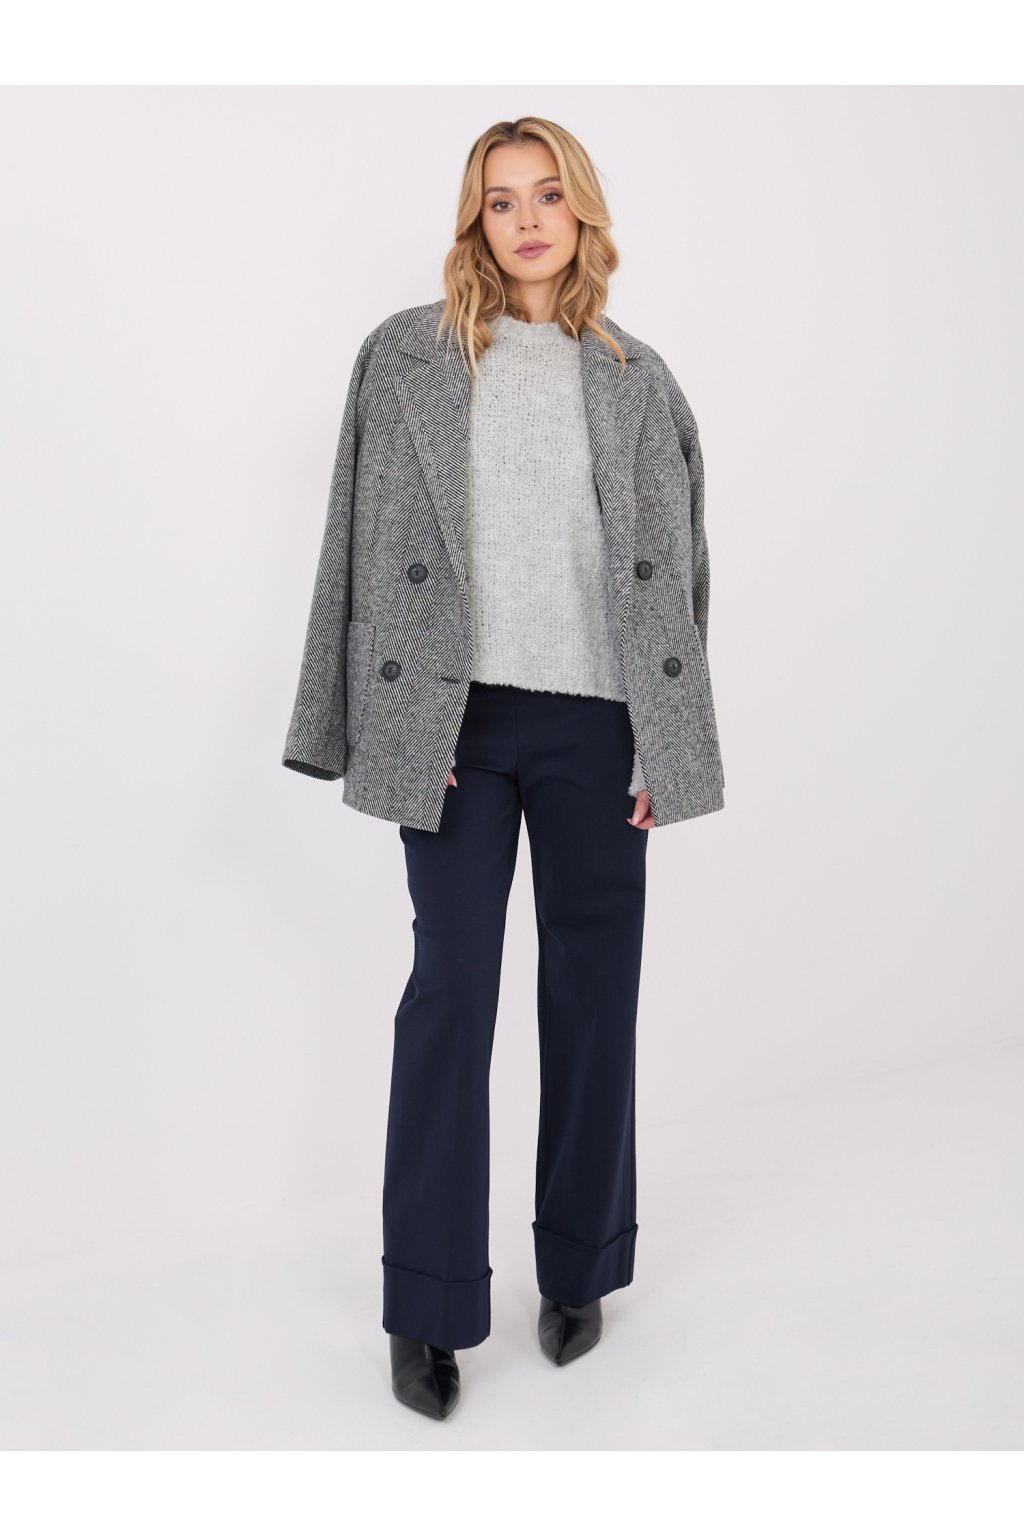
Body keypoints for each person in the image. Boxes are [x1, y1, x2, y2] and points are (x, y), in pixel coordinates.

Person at [282, 116, 726, 1421]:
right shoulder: (407, 358)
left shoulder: (640, 378)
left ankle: (581, 1267)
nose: (526, 221)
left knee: (593, 996)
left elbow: (681, 576)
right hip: (455, 729)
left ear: (583, 213)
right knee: (451, 994)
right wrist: (362, 728)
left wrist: (666, 740)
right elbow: (351, 546)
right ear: (474, 221)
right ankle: (425, 1306)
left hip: (598, 729)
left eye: (546, 196)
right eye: (500, 201)